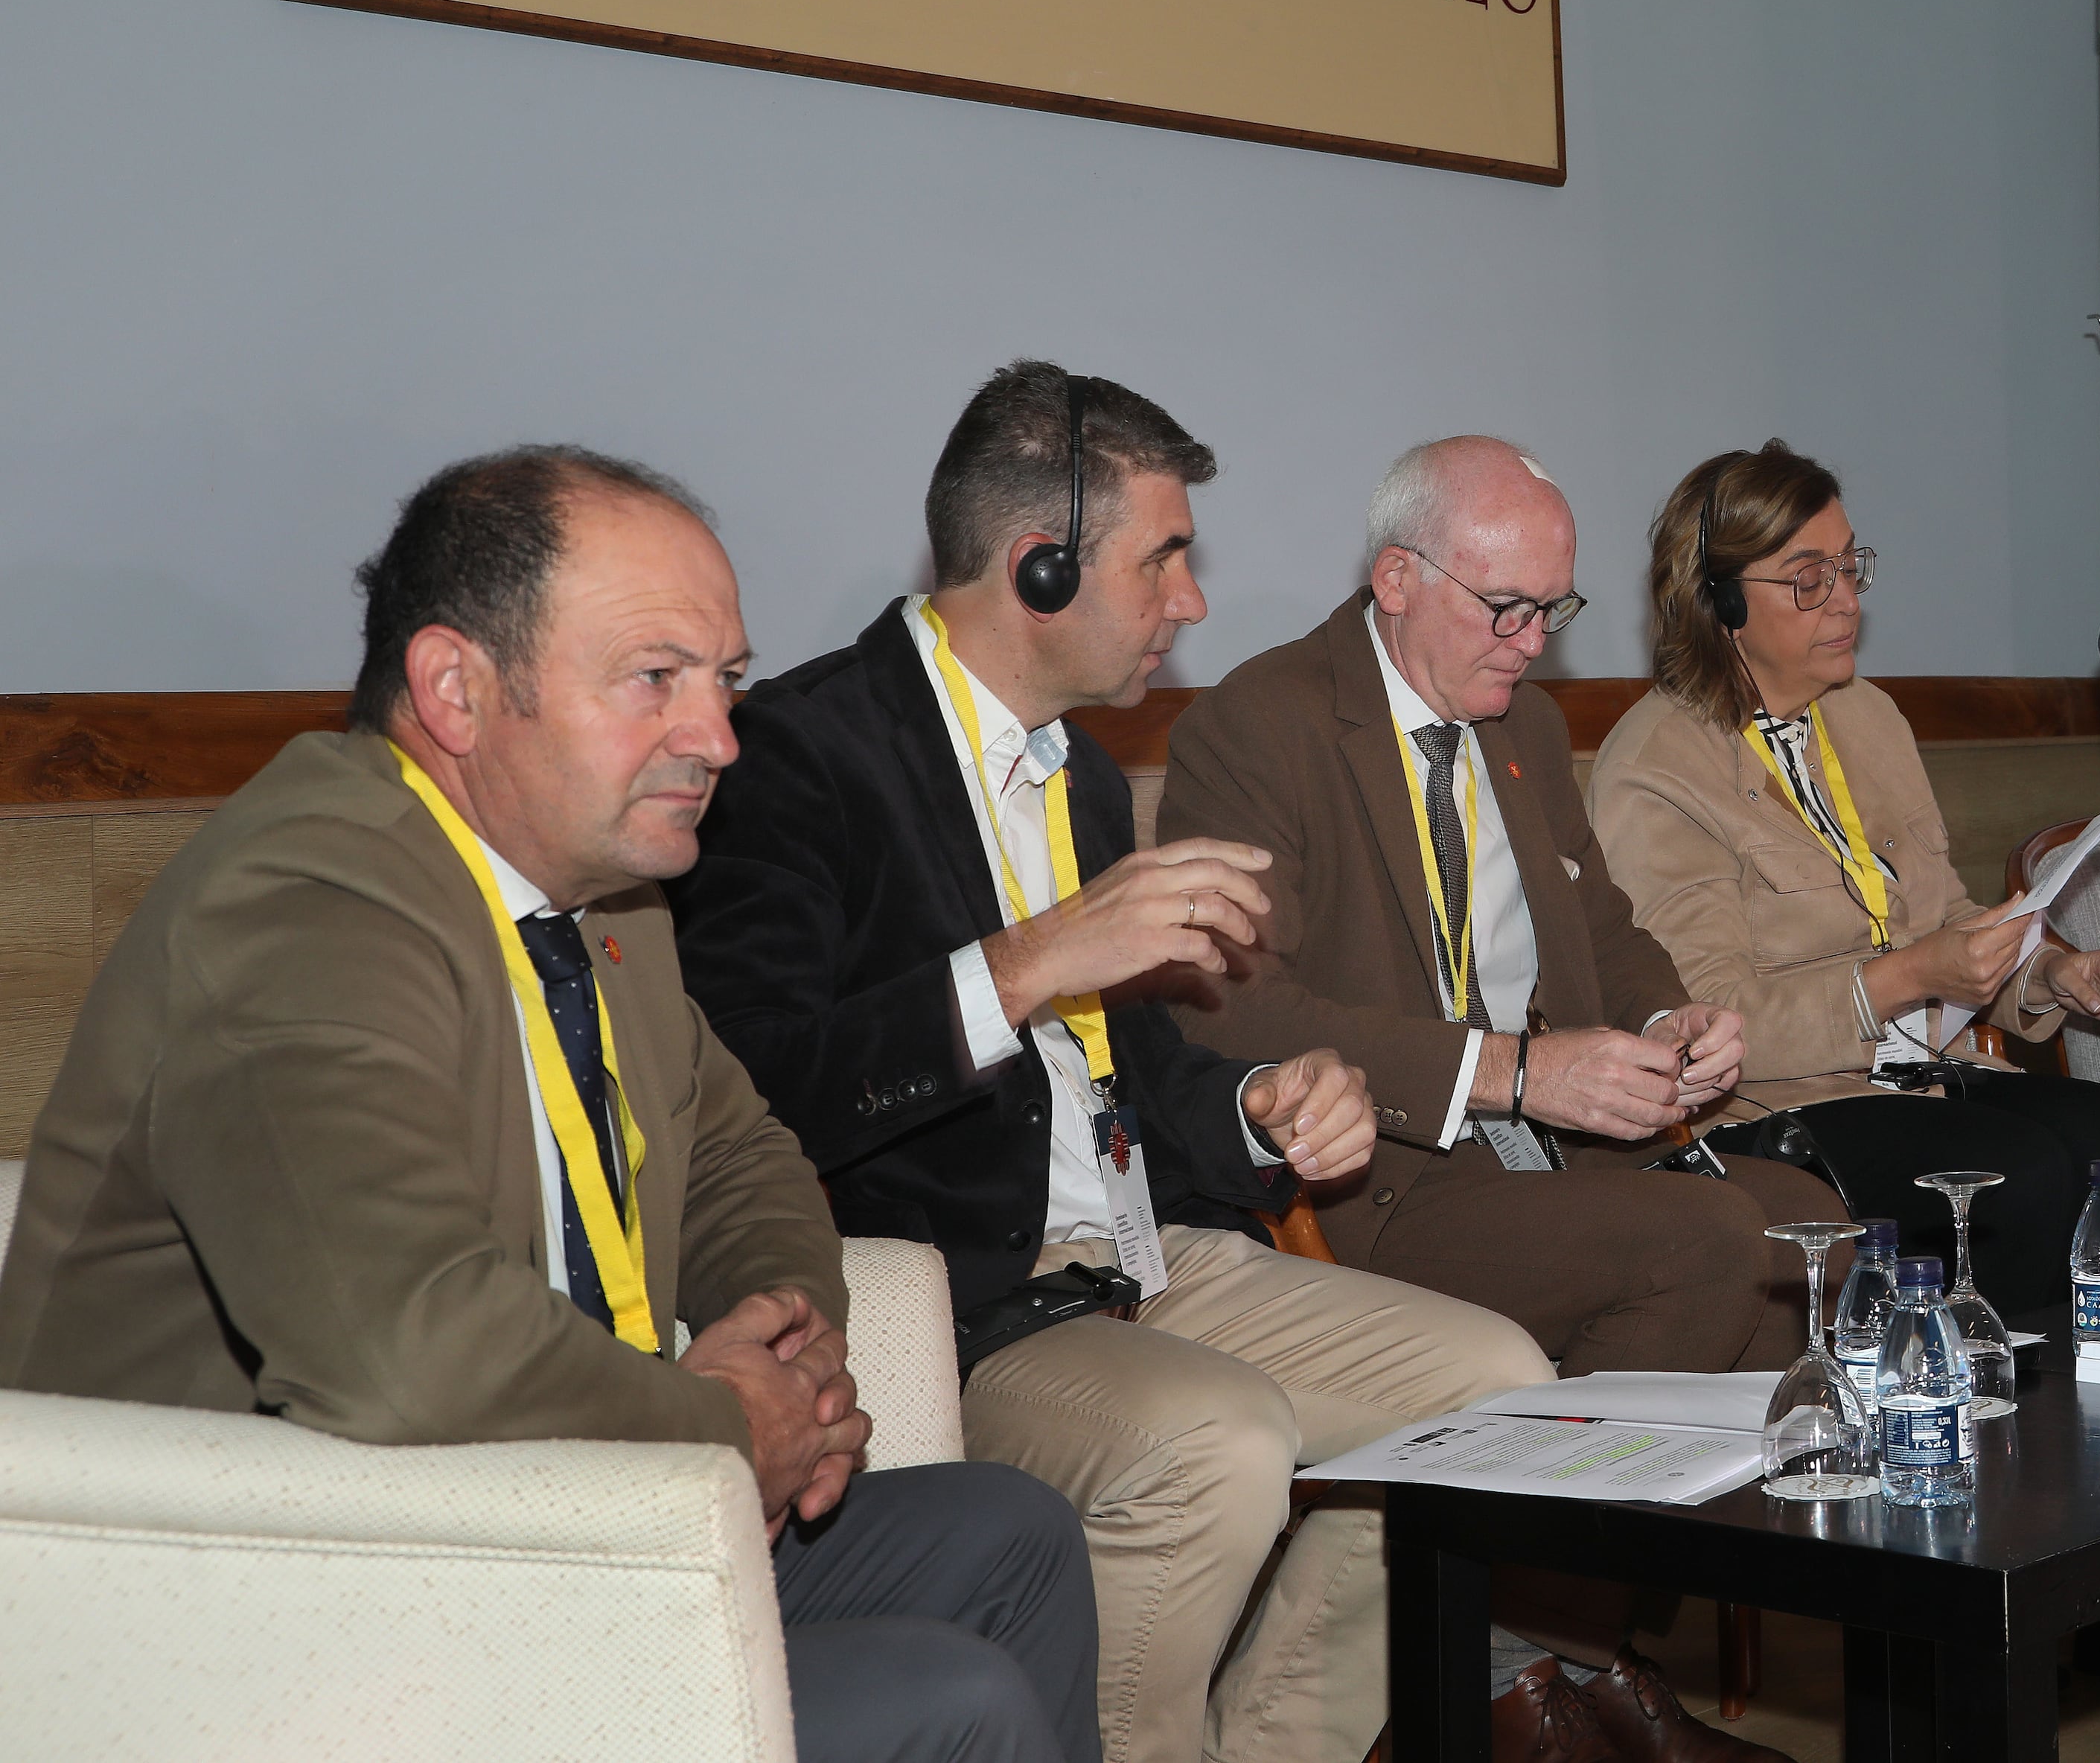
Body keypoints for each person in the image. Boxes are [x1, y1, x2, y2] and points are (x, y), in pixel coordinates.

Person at [0, 448, 1099, 1763]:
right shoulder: (306, 902)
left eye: (726, 679)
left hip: (554, 1505)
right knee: (946, 1699)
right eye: (656, 679)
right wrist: (717, 1426)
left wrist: (785, 1351)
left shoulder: (605, 898)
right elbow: (400, 1340)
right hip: (290, 1592)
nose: (720, 737)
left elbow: (741, 1156)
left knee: (1012, 1537)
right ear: (457, 689)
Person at [668, 366, 1567, 1763]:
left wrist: (1262, 1112)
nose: (1192, 599)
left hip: (1147, 1256)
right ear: (1038, 565)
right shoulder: (796, 756)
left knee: (1494, 1387)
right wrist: (1028, 960)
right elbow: (769, 1088)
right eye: (1165, 557)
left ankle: (1270, 1744)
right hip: (959, 1296)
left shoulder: (1082, 773)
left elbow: (1134, 1068)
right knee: (1217, 1441)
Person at [1152, 434, 1833, 1762]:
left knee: (1811, 1230)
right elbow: (1232, 1007)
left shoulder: (1519, 723)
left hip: (1551, 1151)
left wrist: (1664, 1022)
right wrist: (1511, 1069)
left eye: (1554, 609)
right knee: (1707, 1245)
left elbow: (1611, 928)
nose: (1534, 641)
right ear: (1397, 577)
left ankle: (1565, 1648)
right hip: (1379, 1175)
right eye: (1505, 605)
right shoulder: (1261, 721)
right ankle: (1516, 1672)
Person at [1589, 441, 2100, 1298]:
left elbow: (1946, 917)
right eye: (1808, 577)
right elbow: (1711, 1023)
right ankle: (2006, 1406)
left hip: (1922, 1078)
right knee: (2022, 1175)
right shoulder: (1653, 770)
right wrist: (1905, 978)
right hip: (1780, 1112)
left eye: (1849, 567)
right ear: (1719, 599)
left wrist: (2046, 973)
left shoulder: (1866, 716)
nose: (1846, 599)